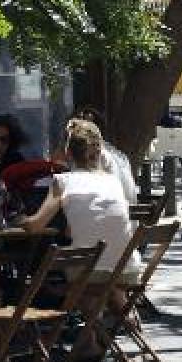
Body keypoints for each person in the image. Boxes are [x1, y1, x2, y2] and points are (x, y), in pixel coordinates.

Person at [20, 119, 141, 304]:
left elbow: (36, 225)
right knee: (96, 267)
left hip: (90, 273)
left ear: (67, 153)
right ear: (99, 152)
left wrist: (18, 220)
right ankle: (100, 326)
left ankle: (91, 329)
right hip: (128, 270)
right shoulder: (112, 182)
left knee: (78, 271)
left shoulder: (62, 182)